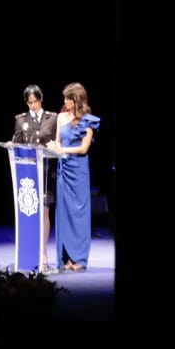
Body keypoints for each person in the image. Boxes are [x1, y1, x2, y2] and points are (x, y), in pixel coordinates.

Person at [47, 83, 100, 272]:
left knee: (79, 213)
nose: (65, 102)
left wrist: (62, 150)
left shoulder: (88, 121)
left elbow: (84, 149)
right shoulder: (61, 117)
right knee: (63, 213)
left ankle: (79, 258)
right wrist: (53, 148)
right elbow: (57, 142)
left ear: (76, 100)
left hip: (78, 171)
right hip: (63, 169)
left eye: (68, 99)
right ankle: (66, 258)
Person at [11, 84, 58, 263]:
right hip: (28, 174)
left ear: (41, 99)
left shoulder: (52, 119)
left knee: (45, 211)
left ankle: (43, 252)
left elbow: (57, 144)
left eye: (35, 102)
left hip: (46, 172)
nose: (33, 106)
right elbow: (17, 143)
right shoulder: (20, 120)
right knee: (29, 211)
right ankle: (30, 249)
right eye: (30, 103)